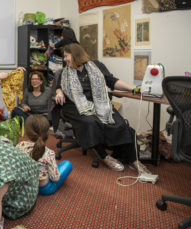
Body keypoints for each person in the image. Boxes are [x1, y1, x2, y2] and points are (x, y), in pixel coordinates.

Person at [54, 43, 152, 175]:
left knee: (120, 123)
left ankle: (134, 160)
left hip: (99, 103)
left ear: (76, 54)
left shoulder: (97, 66)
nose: (65, 59)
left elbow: (112, 81)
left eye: (66, 56)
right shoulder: (66, 71)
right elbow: (58, 85)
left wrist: (132, 88)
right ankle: (104, 156)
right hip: (74, 105)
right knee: (91, 122)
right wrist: (59, 92)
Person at [16, 115, 72, 195]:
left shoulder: (19, 146)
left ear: (26, 131)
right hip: (43, 189)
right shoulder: (49, 153)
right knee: (67, 164)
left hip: (24, 186)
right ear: (46, 133)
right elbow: (55, 178)